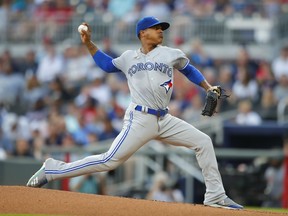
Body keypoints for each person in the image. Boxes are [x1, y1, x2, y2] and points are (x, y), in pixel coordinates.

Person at [26, 16, 243, 210]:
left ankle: (215, 196)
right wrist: (89, 44)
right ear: (142, 33)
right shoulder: (129, 57)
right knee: (109, 160)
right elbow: (107, 65)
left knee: (203, 142)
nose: (161, 31)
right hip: (139, 118)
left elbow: (188, 69)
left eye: (162, 28)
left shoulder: (170, 53)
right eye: (155, 28)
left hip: (164, 119)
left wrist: (207, 86)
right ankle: (53, 169)